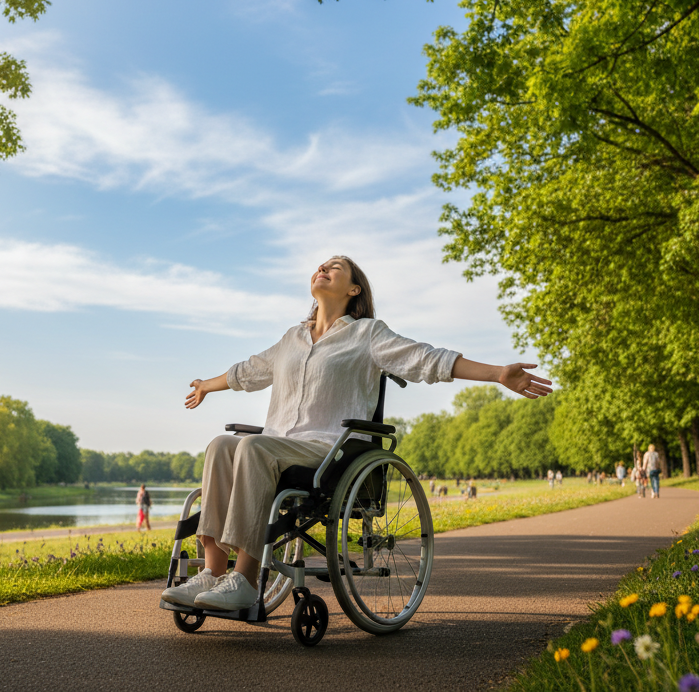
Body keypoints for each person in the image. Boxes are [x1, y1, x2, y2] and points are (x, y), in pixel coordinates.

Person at [160, 255, 552, 612]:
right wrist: (207, 386)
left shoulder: (366, 334)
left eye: (335, 266)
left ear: (353, 289)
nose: (322, 268)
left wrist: (497, 373)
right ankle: (212, 573)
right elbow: (248, 371)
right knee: (221, 445)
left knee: (251, 447)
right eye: (320, 265)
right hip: (277, 444)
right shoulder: (291, 338)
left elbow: (425, 359)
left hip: (328, 449)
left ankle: (244, 581)